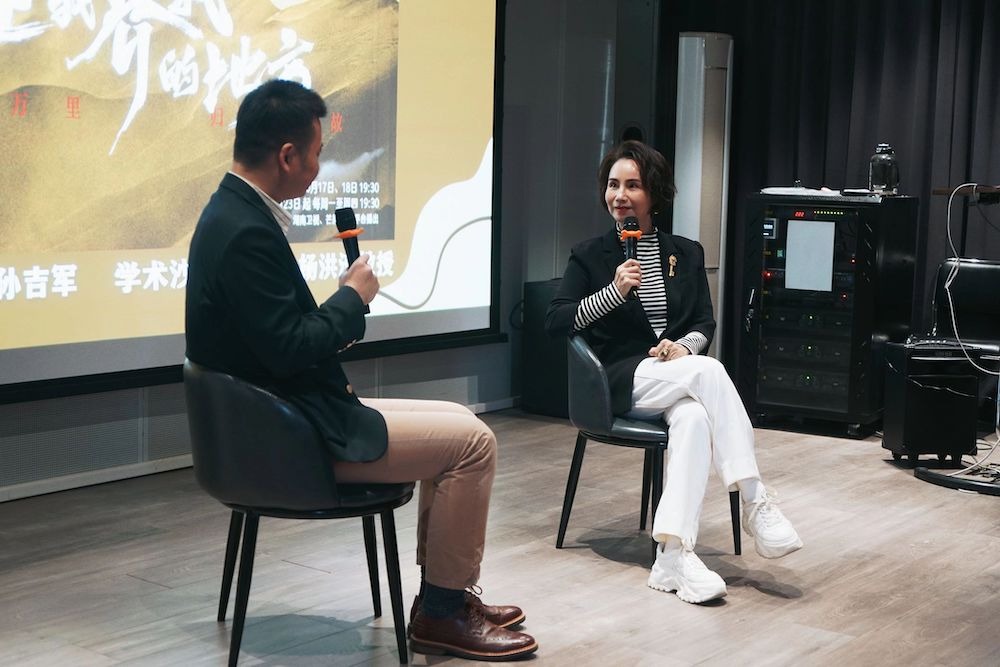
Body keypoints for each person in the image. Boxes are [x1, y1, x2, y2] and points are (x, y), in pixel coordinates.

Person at [185, 79, 537, 660]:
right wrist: (351, 298)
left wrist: (340, 309)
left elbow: (275, 339)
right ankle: (443, 613)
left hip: (288, 415)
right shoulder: (244, 230)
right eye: (317, 154)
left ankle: (446, 597)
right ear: (288, 156)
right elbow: (289, 348)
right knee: (473, 443)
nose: (318, 168)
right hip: (293, 436)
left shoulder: (231, 212)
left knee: (459, 420)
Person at [545, 140, 802, 604]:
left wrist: (684, 347)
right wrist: (612, 293)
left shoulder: (686, 252)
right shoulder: (590, 255)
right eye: (613, 185)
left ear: (655, 194)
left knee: (695, 417)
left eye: (633, 185)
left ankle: (673, 555)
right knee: (709, 373)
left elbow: (704, 322)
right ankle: (755, 499)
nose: (620, 195)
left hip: (673, 377)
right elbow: (557, 320)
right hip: (619, 380)